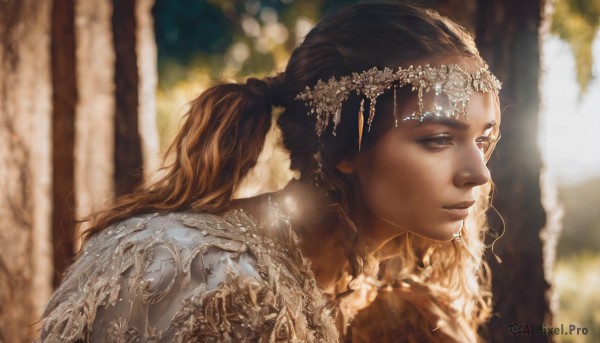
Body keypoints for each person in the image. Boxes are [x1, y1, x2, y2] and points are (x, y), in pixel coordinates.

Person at [40, 2, 502, 342]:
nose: (478, 173)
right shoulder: (220, 283)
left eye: (482, 140)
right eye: (438, 139)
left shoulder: (365, 293)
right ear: (343, 144)